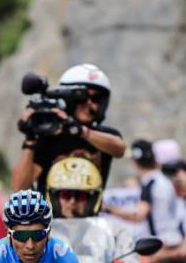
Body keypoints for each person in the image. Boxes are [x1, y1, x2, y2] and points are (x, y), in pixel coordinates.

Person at [11, 63, 126, 194]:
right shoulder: (49, 138)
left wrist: (80, 131)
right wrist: (30, 140)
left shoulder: (103, 136)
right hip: (52, 214)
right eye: (81, 98)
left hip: (91, 213)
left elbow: (119, 149)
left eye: (95, 98)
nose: (89, 104)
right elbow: (19, 188)